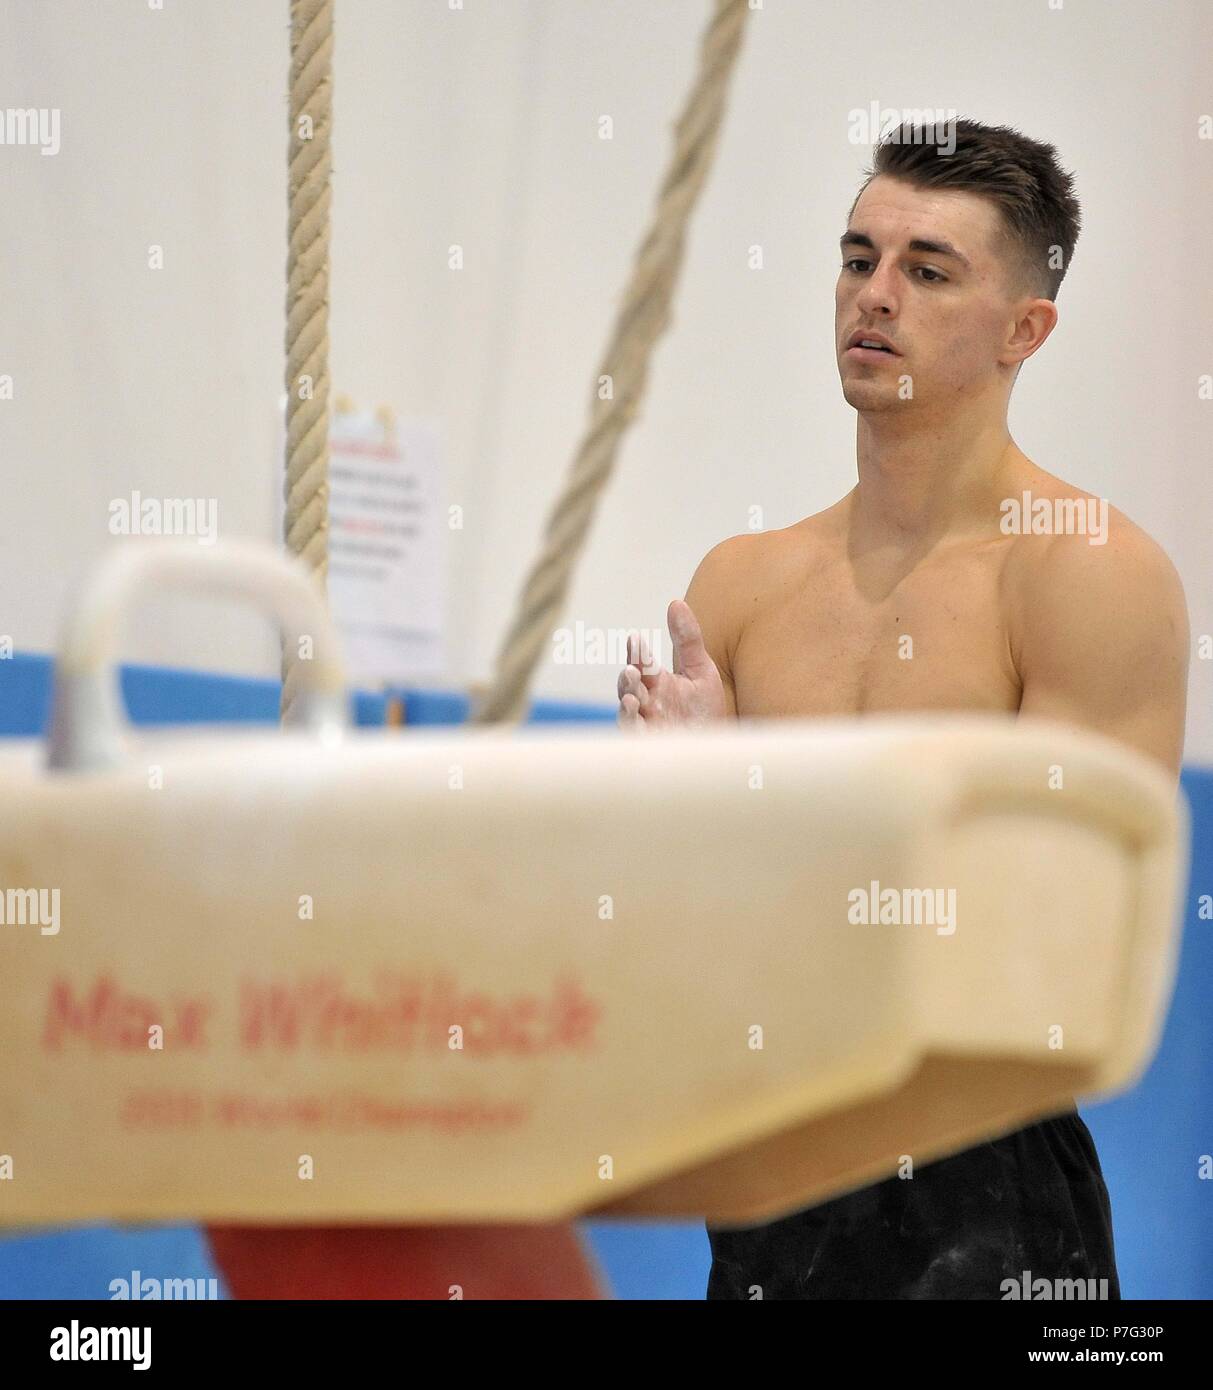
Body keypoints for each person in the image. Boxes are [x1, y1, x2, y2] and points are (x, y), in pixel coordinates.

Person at [615, 118, 1189, 1300]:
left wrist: (744, 809)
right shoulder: (743, 582)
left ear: (1026, 329)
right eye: (856, 256)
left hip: (995, 1203)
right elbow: (676, 946)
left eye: (927, 271)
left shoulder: (1086, 574)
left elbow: (1040, 954)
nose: (873, 296)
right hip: (774, 1186)